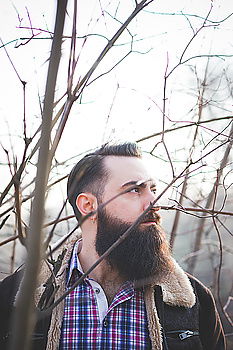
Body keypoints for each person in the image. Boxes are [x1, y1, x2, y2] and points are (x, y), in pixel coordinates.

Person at [0, 142, 226, 350]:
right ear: (88, 205)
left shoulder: (193, 302)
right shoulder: (15, 298)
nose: (154, 203)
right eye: (135, 190)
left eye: (153, 190)